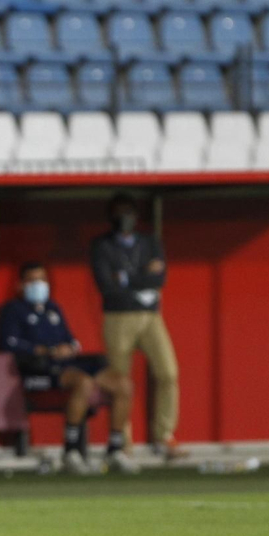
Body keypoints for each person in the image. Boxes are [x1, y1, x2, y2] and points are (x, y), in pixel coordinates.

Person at [0, 260, 127, 474]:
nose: (38, 285)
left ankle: (115, 450)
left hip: (68, 363)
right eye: (32, 280)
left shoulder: (53, 308)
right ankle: (71, 451)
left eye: (42, 279)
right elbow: (9, 343)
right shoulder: (14, 310)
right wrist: (44, 351)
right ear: (21, 285)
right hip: (39, 368)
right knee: (84, 383)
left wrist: (69, 347)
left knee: (123, 384)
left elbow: (71, 339)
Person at [91, 193, 185, 464]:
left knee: (168, 372)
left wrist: (127, 279)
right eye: (119, 212)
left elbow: (160, 277)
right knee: (121, 381)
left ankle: (164, 435)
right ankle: (124, 441)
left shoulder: (150, 241)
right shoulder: (102, 245)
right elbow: (106, 285)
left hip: (150, 316)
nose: (125, 218)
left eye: (129, 212)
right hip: (118, 317)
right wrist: (141, 284)